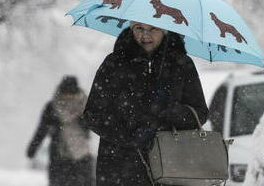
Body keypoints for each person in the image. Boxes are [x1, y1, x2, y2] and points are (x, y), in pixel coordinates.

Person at [82, 22, 209, 186]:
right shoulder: (114, 63)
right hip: (118, 169)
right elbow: (92, 114)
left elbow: (200, 113)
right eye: (139, 28)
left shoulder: (181, 64)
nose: (145, 35)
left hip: (171, 168)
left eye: (153, 29)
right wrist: (128, 135)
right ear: (131, 29)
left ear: (164, 31)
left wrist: (167, 111)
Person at [26, 76, 93, 186]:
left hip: (82, 155)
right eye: (66, 94)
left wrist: (83, 121)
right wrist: (33, 147)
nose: (68, 98)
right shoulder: (52, 107)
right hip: (59, 155)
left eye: (71, 94)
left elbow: (97, 126)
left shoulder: (86, 106)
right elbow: (42, 129)